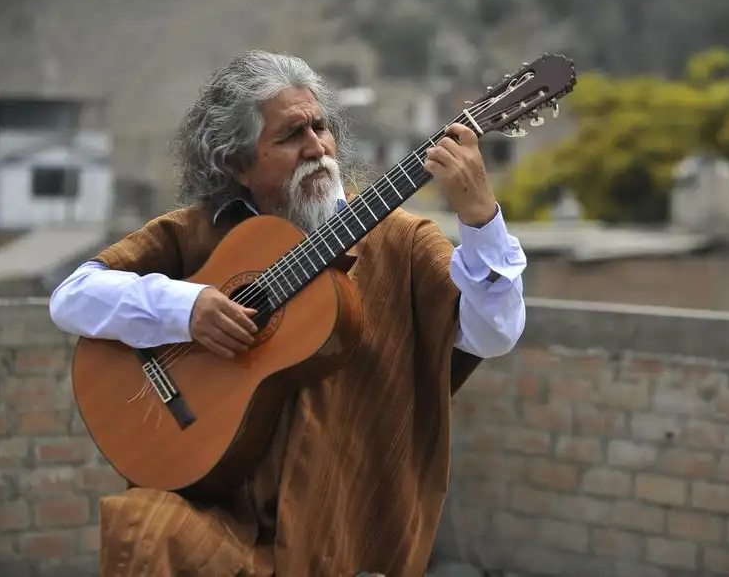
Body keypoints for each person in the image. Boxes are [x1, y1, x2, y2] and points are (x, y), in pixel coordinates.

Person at [49, 50, 527, 577]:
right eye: (291, 135)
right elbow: (74, 295)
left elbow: (495, 331)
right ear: (238, 165)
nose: (317, 148)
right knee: (142, 528)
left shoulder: (402, 241)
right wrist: (186, 307)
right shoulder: (203, 230)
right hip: (222, 511)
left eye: (321, 127)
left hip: (344, 524)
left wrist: (481, 219)